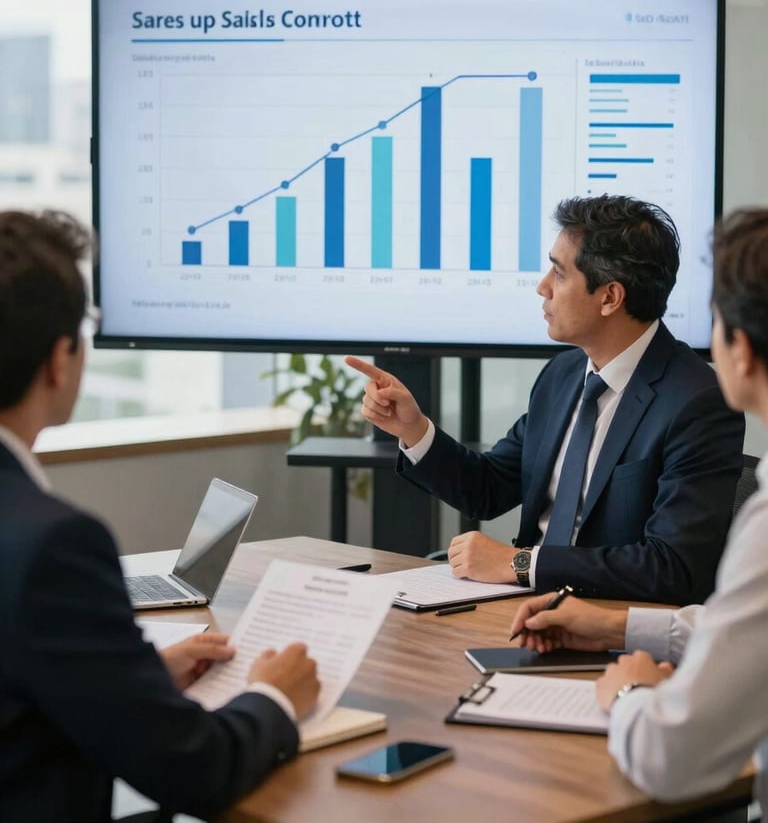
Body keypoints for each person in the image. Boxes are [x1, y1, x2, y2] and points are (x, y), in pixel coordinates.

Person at [0, 209, 320, 823]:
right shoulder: (53, 545)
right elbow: (195, 772)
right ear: (59, 360)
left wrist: (133, 677)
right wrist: (273, 697)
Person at [347, 195, 744, 604]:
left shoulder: (697, 402)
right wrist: (413, 429)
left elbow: (671, 567)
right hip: (520, 609)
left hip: (610, 624)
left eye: (558, 273)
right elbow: (489, 488)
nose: (542, 287)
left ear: (610, 297)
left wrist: (521, 564)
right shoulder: (563, 375)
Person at [510, 206, 768, 821]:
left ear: (744, 350)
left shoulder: (761, 512)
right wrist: (616, 629)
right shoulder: (562, 377)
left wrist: (629, 692)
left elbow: (669, 756)